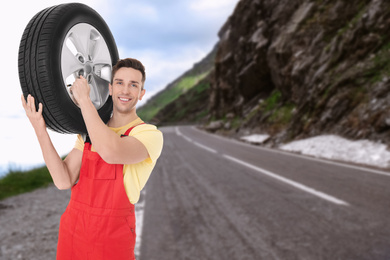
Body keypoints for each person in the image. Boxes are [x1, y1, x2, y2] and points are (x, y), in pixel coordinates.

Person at [21, 58, 163, 260]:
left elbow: (110, 152)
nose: (125, 90)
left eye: (134, 85)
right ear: (110, 88)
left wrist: (85, 101)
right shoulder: (89, 133)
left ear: (141, 94)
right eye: (120, 82)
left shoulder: (148, 134)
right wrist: (39, 128)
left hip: (111, 238)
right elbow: (63, 180)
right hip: (73, 229)